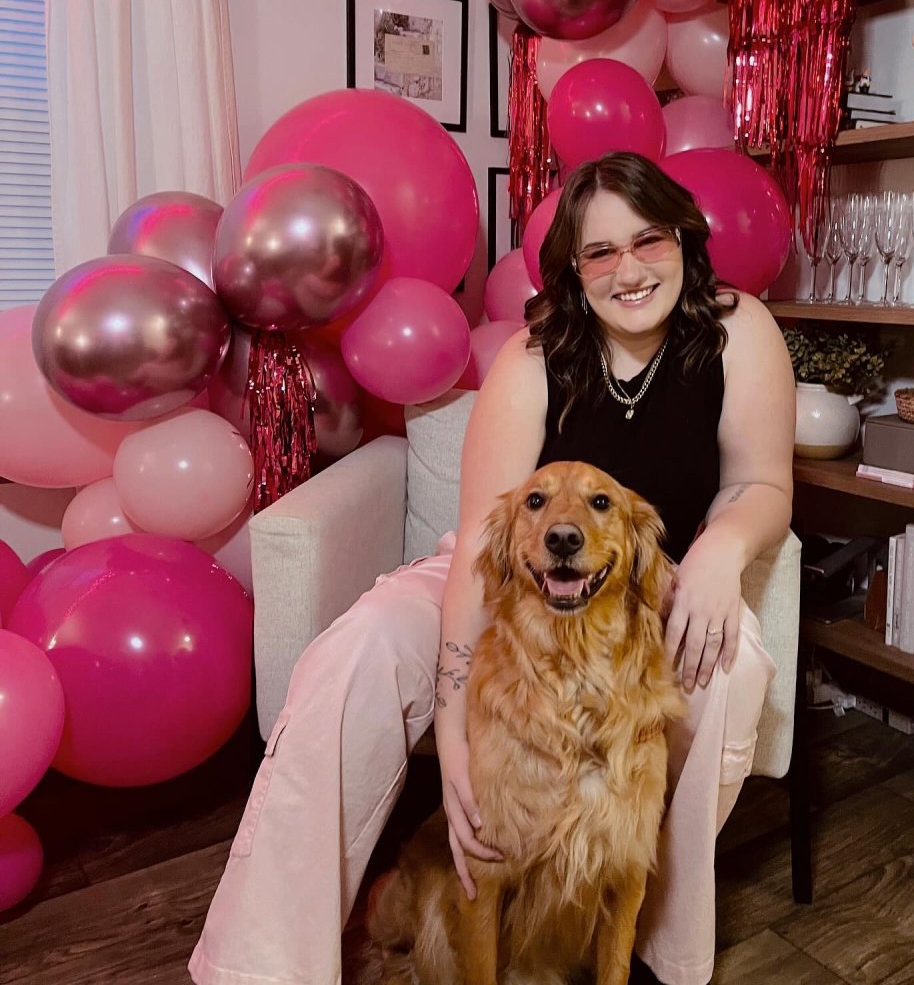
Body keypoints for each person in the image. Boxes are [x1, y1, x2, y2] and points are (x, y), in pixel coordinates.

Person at [189, 151, 795, 985]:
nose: (628, 270)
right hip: (499, 577)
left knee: (728, 669)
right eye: (599, 252)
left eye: (647, 240)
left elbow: (762, 481)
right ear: (573, 270)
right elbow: (483, 537)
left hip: (643, 580)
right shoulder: (533, 353)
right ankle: (263, 965)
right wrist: (453, 725)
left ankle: (656, 950)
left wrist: (723, 548)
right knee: (357, 647)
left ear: (684, 240)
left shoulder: (740, 330)